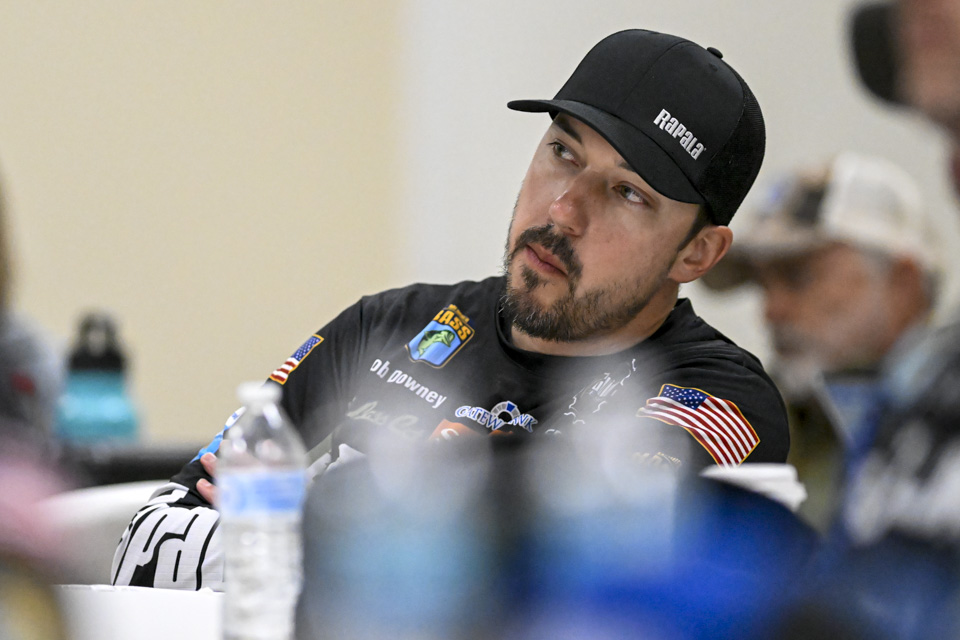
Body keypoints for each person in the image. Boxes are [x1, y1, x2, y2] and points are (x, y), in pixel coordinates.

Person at [111, 28, 790, 592]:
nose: (563, 211)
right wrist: (389, 538)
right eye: (562, 153)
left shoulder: (720, 400)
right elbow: (147, 544)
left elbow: (555, 585)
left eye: (627, 193)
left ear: (697, 253)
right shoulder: (387, 327)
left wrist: (298, 528)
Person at [701, 152, 940, 531]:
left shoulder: (945, 437)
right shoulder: (749, 431)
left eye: (798, 277)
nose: (770, 311)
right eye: (762, 284)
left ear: (903, 283)